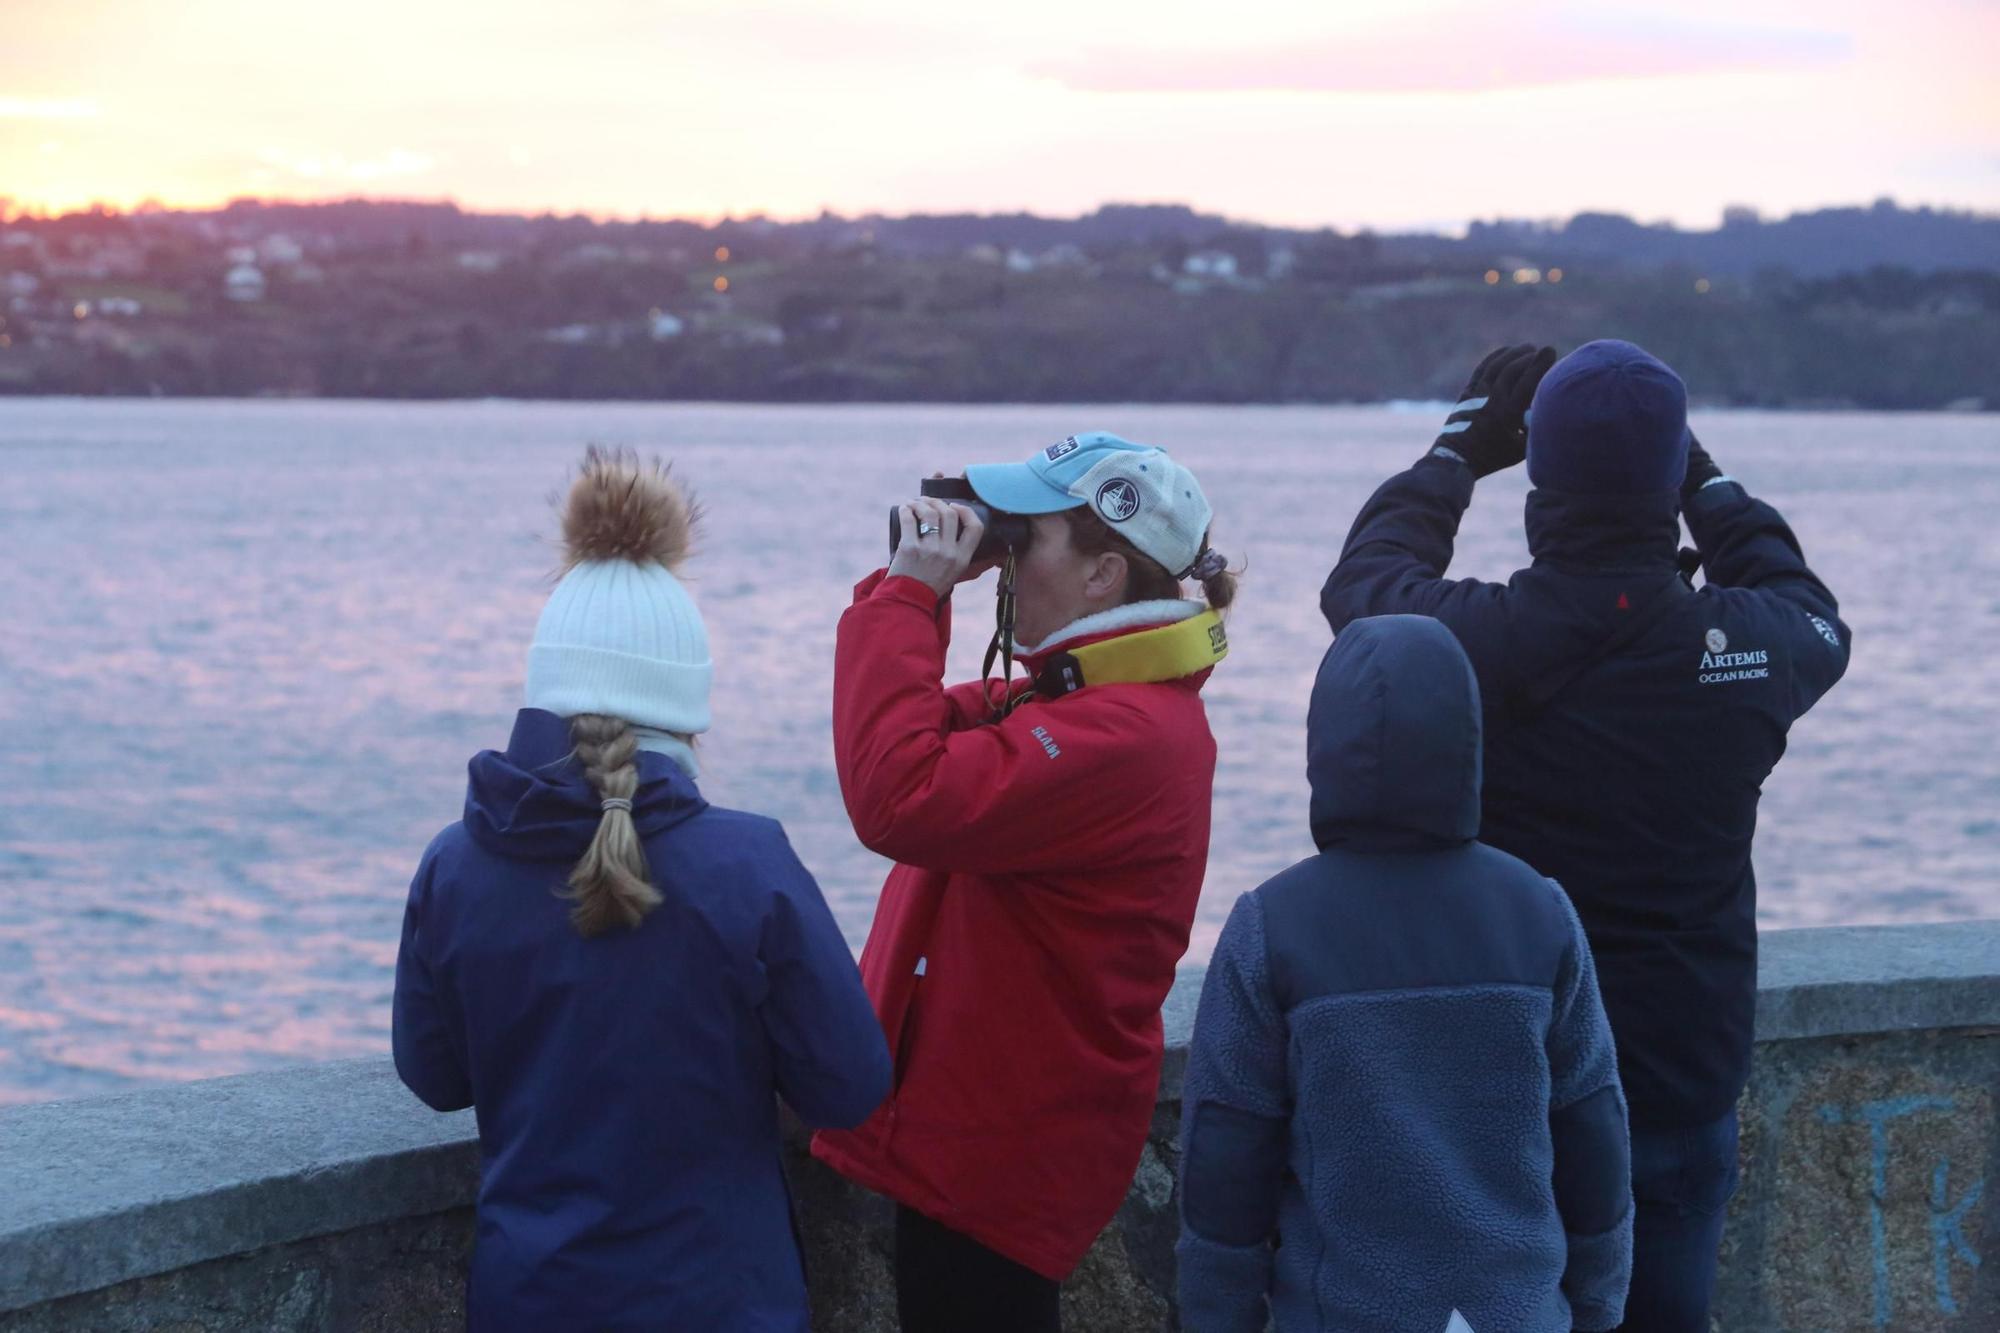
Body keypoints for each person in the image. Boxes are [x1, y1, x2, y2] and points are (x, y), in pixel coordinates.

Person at [1320, 341, 1852, 1330]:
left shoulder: (1466, 643)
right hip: (1675, 1072)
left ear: (1535, 495)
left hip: (1506, 1074)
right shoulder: (1747, 649)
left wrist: (1452, 450)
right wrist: (1692, 468)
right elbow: (1812, 613)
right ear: (1667, 498)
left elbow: (1361, 592)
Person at [393, 447, 890, 1332]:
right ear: (686, 705)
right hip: (723, 1301)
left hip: (529, 1302)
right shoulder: (750, 864)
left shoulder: (454, 865)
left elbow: (435, 1076)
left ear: (543, 691)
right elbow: (849, 1086)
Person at [811, 431, 1236, 1333]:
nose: (1001, 561)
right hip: (995, 1131)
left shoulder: (1120, 735)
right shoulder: (1085, 701)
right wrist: (912, 591)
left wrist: (912, 592)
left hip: (1004, 1146)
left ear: (1103, 575)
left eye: (1023, 539)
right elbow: (913, 732)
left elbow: (898, 796)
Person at [1177, 613, 1633, 1332]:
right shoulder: (1541, 911)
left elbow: (1225, 1157)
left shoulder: (1273, 923)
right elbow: (1594, 1132)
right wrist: (1599, 1307)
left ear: (1323, 749)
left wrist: (1216, 1316)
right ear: (1468, 740)